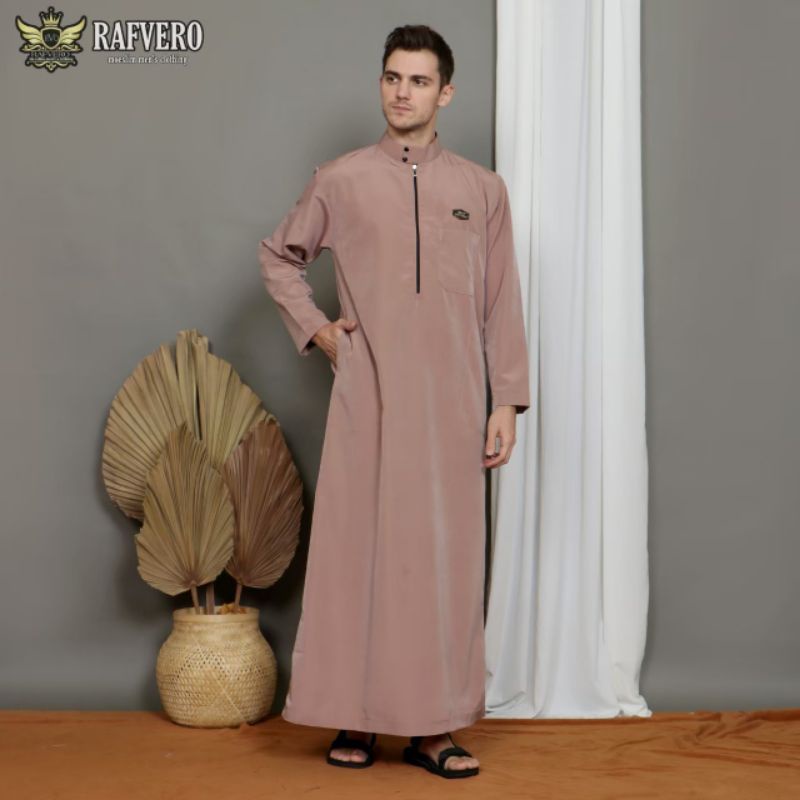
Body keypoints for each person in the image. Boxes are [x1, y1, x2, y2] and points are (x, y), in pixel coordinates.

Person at [258, 24, 530, 779]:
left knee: (439, 565)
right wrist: (320, 332)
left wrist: (505, 401)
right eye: (392, 78)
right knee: (358, 556)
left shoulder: (481, 191)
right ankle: (355, 717)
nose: (402, 93)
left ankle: (433, 728)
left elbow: (501, 302)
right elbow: (278, 257)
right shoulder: (341, 179)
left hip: (453, 407)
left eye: (418, 81)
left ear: (446, 93)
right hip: (367, 400)